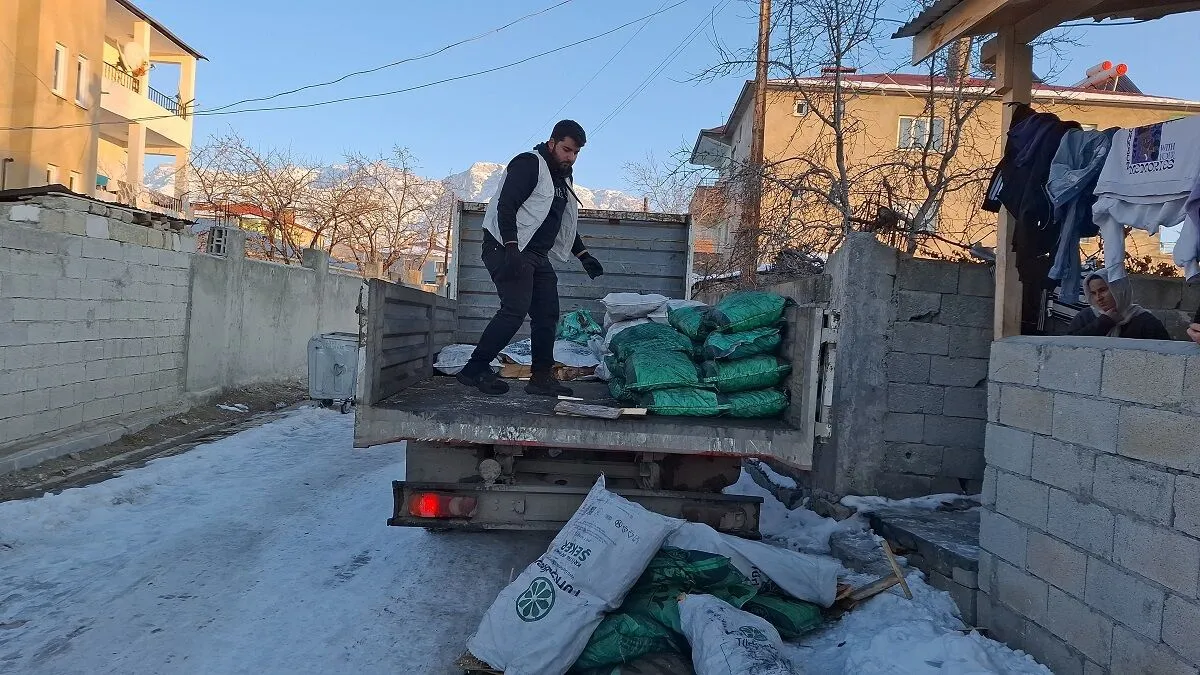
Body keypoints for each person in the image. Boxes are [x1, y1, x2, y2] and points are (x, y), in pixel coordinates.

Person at [456, 120, 605, 397]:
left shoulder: (562, 180)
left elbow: (562, 225)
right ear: (552, 143)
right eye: (566, 149)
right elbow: (506, 205)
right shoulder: (529, 164)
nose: (570, 157)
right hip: (505, 247)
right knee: (514, 309)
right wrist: (512, 248)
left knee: (547, 314)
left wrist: (584, 255)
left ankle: (540, 378)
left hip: (537, 255)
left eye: (575, 153)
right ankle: (473, 369)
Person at [1067, 271, 1171, 339]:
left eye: (1103, 290)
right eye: (1093, 293)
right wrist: (1104, 322)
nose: (1098, 297)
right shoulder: (1086, 317)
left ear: (1118, 290)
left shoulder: (1145, 321)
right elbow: (1068, 346)